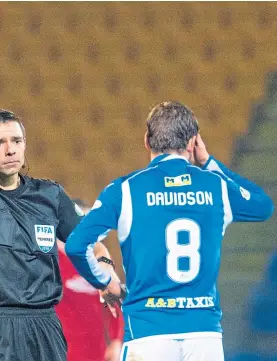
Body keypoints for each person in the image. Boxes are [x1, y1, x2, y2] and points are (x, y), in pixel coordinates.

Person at [0, 25, 115, 361]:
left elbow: (88, 239)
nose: (10, 150)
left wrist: (106, 270)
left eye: (16, 141)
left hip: (43, 328)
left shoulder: (50, 195)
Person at [65, 101, 274, 361]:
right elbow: (263, 206)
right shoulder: (216, 187)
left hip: (147, 333)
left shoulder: (124, 190)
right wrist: (208, 162)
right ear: (192, 143)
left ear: (146, 140)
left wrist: (106, 282)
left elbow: (76, 245)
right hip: (203, 335)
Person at [56, 202, 124, 361]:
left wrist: (116, 340)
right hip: (62, 347)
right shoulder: (50, 259)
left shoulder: (100, 261)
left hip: (97, 347)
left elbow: (113, 303)